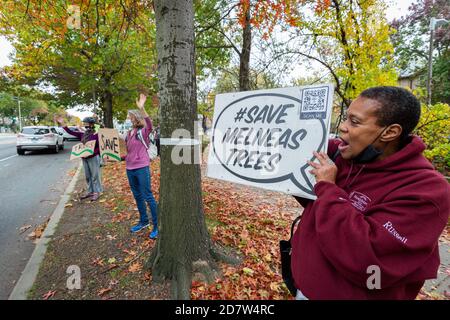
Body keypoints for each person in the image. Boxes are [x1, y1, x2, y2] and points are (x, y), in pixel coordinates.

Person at [291, 86, 450, 300]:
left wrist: (328, 189)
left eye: (355, 122)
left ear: (390, 132)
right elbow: (310, 196)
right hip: (305, 287)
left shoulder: (426, 189)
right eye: (346, 119)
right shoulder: (341, 154)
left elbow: (369, 257)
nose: (342, 129)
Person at [122, 93, 159, 239]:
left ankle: (157, 226)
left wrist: (142, 108)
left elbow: (149, 123)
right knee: (137, 196)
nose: (129, 118)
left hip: (142, 167)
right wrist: (115, 157)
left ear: (137, 117)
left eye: (131, 116)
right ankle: (144, 221)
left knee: (147, 196)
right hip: (129, 168)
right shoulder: (129, 133)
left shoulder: (143, 132)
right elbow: (128, 152)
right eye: (129, 116)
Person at [56, 116, 103, 201]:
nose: (84, 125)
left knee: (95, 176)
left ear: (91, 124)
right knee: (88, 176)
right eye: (84, 123)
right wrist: (63, 123)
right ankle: (90, 191)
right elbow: (70, 132)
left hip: (93, 157)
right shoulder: (83, 134)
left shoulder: (97, 134)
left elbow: (100, 147)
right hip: (84, 158)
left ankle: (97, 192)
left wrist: (99, 157)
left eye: (86, 123)